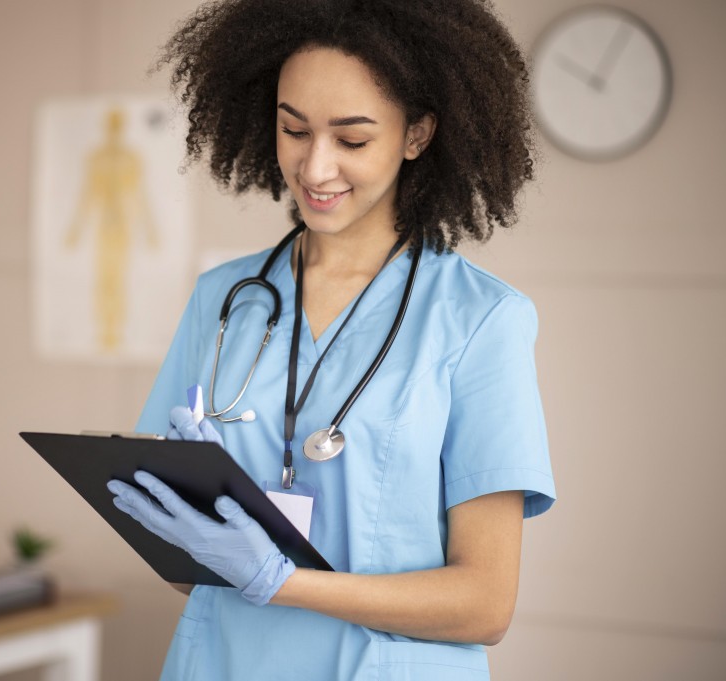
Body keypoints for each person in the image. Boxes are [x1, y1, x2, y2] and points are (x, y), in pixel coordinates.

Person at [105, 0, 556, 678]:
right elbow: (187, 566)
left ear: (417, 134)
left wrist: (276, 579)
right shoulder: (224, 299)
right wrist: (186, 525)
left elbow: (485, 603)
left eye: (352, 140)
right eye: (294, 130)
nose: (315, 170)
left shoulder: (481, 319)